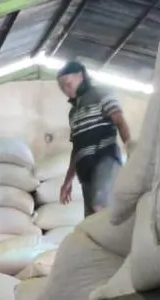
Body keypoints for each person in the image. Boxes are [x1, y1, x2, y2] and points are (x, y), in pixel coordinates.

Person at [57, 60, 132, 216]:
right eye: (62, 87)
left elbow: (119, 120)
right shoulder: (73, 113)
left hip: (106, 159)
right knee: (91, 218)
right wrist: (67, 181)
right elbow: (77, 149)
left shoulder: (101, 94)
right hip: (85, 169)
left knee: (100, 205)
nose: (66, 90)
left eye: (68, 84)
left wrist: (132, 151)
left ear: (81, 75)